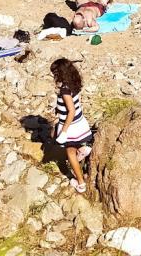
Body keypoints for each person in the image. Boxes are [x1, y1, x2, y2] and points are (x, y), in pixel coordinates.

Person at [50, 57, 93, 193]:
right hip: (80, 122)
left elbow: (71, 110)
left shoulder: (64, 90)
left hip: (71, 126)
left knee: (70, 152)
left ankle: (80, 183)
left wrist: (63, 131)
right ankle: (83, 149)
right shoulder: (74, 83)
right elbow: (75, 104)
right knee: (74, 146)